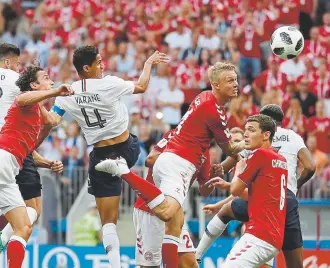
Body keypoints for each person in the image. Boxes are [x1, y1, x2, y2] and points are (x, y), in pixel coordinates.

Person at [96, 62, 245, 267]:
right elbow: (229, 149)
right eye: (230, 80)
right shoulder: (204, 118)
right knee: (168, 214)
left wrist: (216, 176)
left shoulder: (202, 117)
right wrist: (244, 146)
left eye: (236, 79)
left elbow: (204, 189)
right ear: (216, 84)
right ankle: (123, 171)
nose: (236, 84)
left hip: (177, 169)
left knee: (186, 252)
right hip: (167, 178)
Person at [48, 45, 169, 267]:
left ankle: (115, 265)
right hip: (127, 148)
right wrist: (148, 63)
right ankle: (122, 168)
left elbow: (52, 121)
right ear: (87, 67)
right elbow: (141, 86)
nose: (103, 65)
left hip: (100, 156)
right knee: (150, 156)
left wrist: (45, 93)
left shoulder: (66, 92)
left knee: (108, 223)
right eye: (99, 62)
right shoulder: (109, 83)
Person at [197, 104, 316, 268]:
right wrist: (294, 187)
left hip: (263, 223)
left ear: (265, 127)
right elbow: (310, 167)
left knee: (226, 211)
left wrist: (223, 169)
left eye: (251, 129)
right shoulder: (290, 141)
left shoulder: (258, 148)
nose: (248, 134)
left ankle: (197, 254)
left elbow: (236, 181)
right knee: (294, 264)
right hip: (285, 201)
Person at [0, 65, 73, 267]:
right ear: (34, 85)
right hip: (3, 163)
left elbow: (31, 145)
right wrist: (56, 91)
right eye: (46, 78)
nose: (51, 81)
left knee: (24, 226)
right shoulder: (25, 99)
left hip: (8, 167)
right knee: (24, 223)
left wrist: (48, 162)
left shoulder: (35, 111)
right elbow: (23, 98)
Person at [133, 130, 223, 268]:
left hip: (175, 211)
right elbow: (149, 160)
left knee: (190, 263)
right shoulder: (174, 135)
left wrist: (212, 178)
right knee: (150, 266)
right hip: (150, 209)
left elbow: (204, 191)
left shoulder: (204, 152)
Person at [221, 114, 288, 267]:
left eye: (251, 130)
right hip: (274, 236)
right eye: (245, 130)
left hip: (259, 235)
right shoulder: (281, 160)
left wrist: (239, 169)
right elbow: (257, 195)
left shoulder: (259, 154)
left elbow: (236, 190)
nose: (245, 134)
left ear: (266, 135)